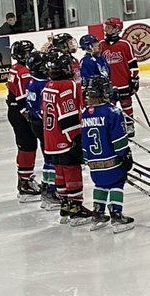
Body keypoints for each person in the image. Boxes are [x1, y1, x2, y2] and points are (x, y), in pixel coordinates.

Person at [80, 76, 134, 233]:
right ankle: (116, 214)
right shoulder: (113, 112)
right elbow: (119, 139)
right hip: (112, 161)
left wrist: (86, 159)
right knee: (117, 183)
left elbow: (84, 140)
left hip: (94, 162)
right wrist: (125, 155)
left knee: (100, 184)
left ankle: (98, 212)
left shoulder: (85, 114)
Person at [41, 51, 89, 223]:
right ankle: (76, 207)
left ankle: (65, 204)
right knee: (72, 169)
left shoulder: (49, 85)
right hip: (65, 138)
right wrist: (76, 138)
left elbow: (43, 112)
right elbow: (67, 115)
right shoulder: (67, 85)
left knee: (59, 170)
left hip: (50, 138)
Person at [6, 40, 40, 201]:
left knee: (26, 145)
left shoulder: (16, 68)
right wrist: (29, 117)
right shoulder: (23, 72)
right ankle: (25, 183)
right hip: (19, 113)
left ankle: (25, 179)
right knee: (27, 146)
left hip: (14, 111)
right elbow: (22, 99)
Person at [23, 51, 57, 208]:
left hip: (37, 124)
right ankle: (51, 189)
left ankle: (47, 187)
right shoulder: (42, 85)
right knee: (51, 157)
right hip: (45, 126)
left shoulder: (32, 81)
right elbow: (45, 110)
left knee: (48, 156)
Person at [100, 17, 139, 136]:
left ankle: (129, 125)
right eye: (106, 26)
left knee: (126, 104)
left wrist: (134, 79)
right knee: (109, 107)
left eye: (109, 27)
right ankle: (112, 127)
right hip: (109, 84)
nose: (106, 29)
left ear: (117, 29)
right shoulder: (101, 45)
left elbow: (132, 63)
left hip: (123, 82)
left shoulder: (124, 44)